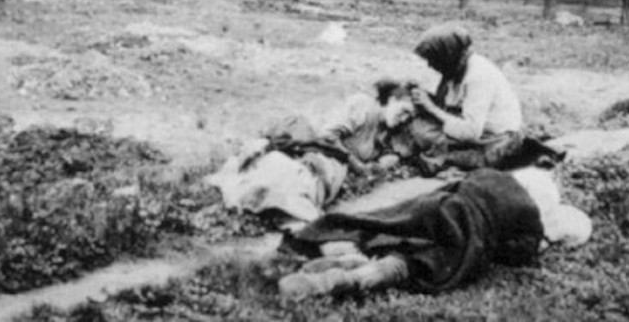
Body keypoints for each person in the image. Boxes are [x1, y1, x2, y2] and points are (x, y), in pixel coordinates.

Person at [278, 166, 592, 299]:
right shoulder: (530, 222)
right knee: (423, 261)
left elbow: (452, 185)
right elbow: (515, 253)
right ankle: (345, 279)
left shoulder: (493, 177)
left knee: (390, 226)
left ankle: (345, 254)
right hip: (467, 228)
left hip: (440, 203)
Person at [206, 81, 417, 224]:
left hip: (335, 171)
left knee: (312, 190)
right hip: (323, 156)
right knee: (299, 180)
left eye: (409, 118)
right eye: (404, 110)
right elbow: (328, 135)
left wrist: (385, 161)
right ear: (390, 99)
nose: (405, 119)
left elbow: (386, 158)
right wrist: (356, 164)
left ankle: (269, 202)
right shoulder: (364, 105)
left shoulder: (381, 135)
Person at [408, 23, 562, 174]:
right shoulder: (456, 69)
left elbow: (471, 131)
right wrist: (425, 99)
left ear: (447, 57)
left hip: (497, 140)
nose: (430, 65)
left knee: (426, 140)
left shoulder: (478, 76)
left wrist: (432, 108)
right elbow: (450, 105)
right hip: (478, 132)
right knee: (418, 129)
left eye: (434, 60)